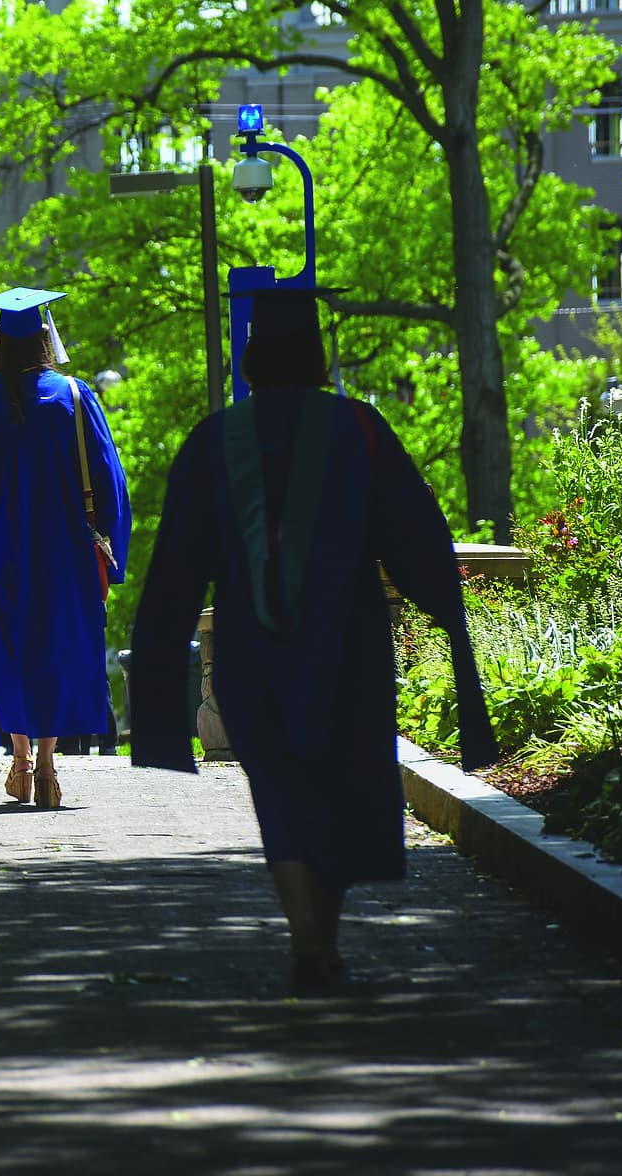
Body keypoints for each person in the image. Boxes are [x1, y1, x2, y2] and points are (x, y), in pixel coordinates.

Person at [128, 287, 495, 992]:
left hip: (252, 649)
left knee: (284, 796)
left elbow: (177, 562)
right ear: (318, 355)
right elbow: (415, 532)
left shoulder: (215, 440)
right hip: (346, 647)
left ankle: (304, 940)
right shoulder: (358, 428)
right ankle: (323, 938)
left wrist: (156, 663)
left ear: (252, 356)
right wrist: (449, 612)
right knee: (338, 793)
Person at [0, 288, 131, 809]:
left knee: (7, 650)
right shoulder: (73, 396)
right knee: (54, 648)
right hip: (63, 549)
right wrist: (114, 549)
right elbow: (108, 478)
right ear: (45, 339)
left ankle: (21, 760)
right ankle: (48, 767)